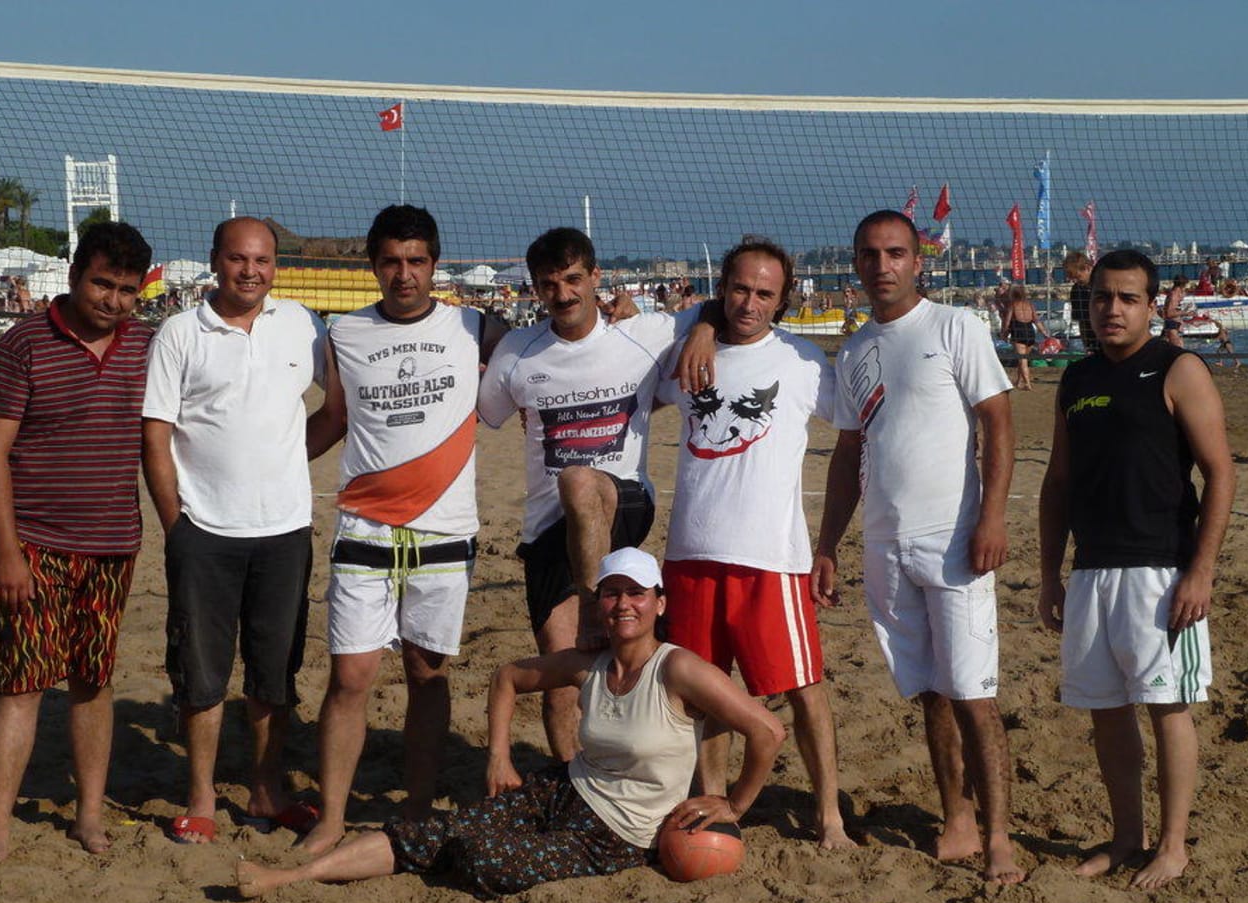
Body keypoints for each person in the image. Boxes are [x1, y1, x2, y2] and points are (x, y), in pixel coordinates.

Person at [235, 548, 786, 899]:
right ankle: (288, 877)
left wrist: (734, 805)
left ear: (659, 603)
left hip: (618, 835)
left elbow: (768, 731)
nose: (623, 604)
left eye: (636, 593)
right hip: (564, 788)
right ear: (599, 602)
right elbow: (507, 678)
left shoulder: (678, 668)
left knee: (482, 857)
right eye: (612, 592)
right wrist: (498, 754)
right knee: (435, 831)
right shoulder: (589, 663)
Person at [812, 210, 1024, 884]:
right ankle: (955, 817)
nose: (883, 265)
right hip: (885, 542)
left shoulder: (954, 326)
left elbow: (998, 424)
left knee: (973, 694)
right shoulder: (854, 351)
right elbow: (850, 451)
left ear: (917, 261)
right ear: (856, 262)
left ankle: (998, 837)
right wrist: (828, 544)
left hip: (954, 537)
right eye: (870, 254)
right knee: (931, 691)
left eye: (896, 253)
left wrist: (992, 518)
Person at [301, 206, 506, 855]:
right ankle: (332, 819)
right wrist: (263, 464)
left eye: (416, 261)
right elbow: (333, 417)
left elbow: (555, 354)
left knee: (426, 674)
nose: (404, 274)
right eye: (391, 261)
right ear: (374, 266)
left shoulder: (477, 327)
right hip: (364, 526)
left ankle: (416, 811)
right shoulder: (343, 332)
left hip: (445, 530)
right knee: (350, 678)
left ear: (434, 265)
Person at [1038, 248, 1236, 890]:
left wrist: (1201, 571)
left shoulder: (1178, 368)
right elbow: (1058, 482)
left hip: (1160, 571)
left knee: (1167, 707)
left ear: (1151, 305)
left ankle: (1172, 846)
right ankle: (1128, 837)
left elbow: (1221, 473)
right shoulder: (1077, 377)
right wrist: (1049, 574)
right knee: (1106, 709)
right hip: (1092, 570)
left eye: (1128, 298)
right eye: (1103, 297)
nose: (1113, 309)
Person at [476, 227, 714, 759]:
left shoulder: (642, 333)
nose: (563, 294)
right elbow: (486, 413)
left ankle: (592, 608)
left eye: (573, 279)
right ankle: (569, 779)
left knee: (580, 480)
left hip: (623, 502)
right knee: (562, 676)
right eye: (549, 284)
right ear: (536, 289)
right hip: (548, 527)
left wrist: (702, 329)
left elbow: (720, 305)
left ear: (596, 277)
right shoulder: (519, 352)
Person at [657, 238, 854, 850]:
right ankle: (715, 804)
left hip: (770, 557)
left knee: (804, 687)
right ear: (721, 289)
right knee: (704, 692)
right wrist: (699, 327)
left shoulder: (802, 362)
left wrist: (830, 543)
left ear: (783, 300)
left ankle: (829, 816)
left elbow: (856, 432)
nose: (750, 303)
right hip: (691, 553)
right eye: (740, 289)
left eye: (765, 293)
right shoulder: (685, 354)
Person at [0, 221, 154, 860]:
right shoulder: (24, 342)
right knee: (21, 683)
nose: (112, 300)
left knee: (92, 681)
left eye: (126, 290)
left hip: (113, 544)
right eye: (102, 284)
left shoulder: (147, 345)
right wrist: (8, 552)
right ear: (75, 276)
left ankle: (89, 818)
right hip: (35, 542)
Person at [142, 217, 328, 845]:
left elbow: (340, 407)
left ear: (276, 266)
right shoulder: (179, 332)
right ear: (215, 260)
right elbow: (155, 435)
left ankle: (267, 790)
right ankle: (200, 795)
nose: (251, 271)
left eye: (263, 260)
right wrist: (177, 526)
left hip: (285, 530)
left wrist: (285, 460)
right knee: (201, 673)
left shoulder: (302, 324)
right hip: (204, 531)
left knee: (275, 671)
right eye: (238, 258)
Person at [1001, 284, 1042, 390]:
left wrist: (1004, 334)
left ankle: (1027, 383)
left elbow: (1007, 322)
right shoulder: (1030, 304)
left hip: (1019, 332)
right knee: (1023, 359)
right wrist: (1044, 332)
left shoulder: (1013, 305)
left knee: (1022, 360)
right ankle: (1019, 381)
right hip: (1030, 332)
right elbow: (1036, 320)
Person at [1064, 251, 1096, 356]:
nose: (1074, 280)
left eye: (1077, 276)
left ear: (1087, 268)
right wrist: (1087, 345)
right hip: (1092, 341)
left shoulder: (1104, 285)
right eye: (1072, 277)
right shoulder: (1076, 290)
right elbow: (1082, 322)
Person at [1160, 274, 1187, 347]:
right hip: (1172, 325)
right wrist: (1185, 312)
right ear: (1182, 285)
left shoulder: (1176, 294)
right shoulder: (1174, 295)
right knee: (1178, 349)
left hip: (1174, 325)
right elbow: (1169, 313)